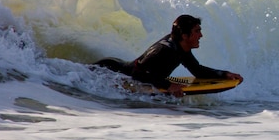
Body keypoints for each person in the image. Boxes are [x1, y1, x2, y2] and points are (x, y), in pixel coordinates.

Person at [95, 14, 243, 96]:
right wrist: (168, 85)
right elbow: (137, 73)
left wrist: (224, 74)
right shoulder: (163, 50)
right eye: (197, 31)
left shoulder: (181, 47)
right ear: (185, 35)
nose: (201, 35)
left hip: (118, 70)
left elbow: (197, 71)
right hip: (108, 70)